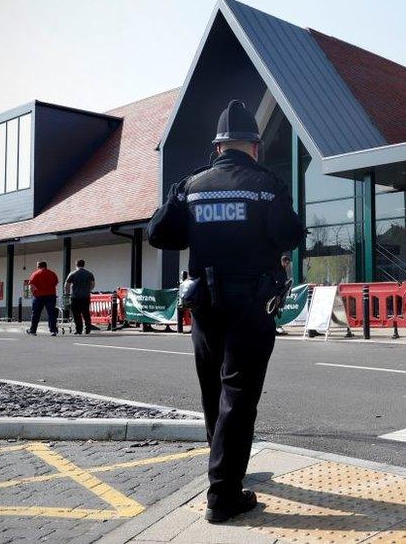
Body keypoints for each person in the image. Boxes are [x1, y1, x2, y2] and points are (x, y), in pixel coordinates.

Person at [146, 99, 306, 523]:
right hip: (251, 303)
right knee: (239, 394)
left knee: (214, 391)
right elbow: (289, 234)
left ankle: (223, 472)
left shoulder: (192, 184)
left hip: (205, 305)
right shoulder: (266, 184)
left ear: (218, 147)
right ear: (254, 145)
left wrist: (183, 202)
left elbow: (160, 234)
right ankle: (223, 493)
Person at [26, 261, 59, 336]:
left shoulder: (35, 274)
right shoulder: (52, 273)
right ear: (46, 266)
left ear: (38, 266)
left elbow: (31, 286)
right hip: (51, 296)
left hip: (38, 296)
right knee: (51, 313)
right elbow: (55, 283)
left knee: (36, 314)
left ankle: (33, 330)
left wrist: (33, 293)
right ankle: (53, 330)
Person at [64, 259, 95, 335]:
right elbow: (93, 284)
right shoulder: (89, 274)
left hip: (75, 297)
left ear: (76, 265)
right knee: (86, 313)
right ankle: (88, 328)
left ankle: (79, 330)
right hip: (86, 296)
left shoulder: (73, 274)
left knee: (76, 314)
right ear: (84, 265)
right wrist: (89, 290)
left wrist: (67, 294)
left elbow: (66, 285)